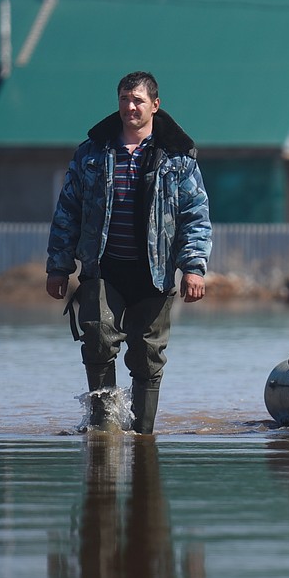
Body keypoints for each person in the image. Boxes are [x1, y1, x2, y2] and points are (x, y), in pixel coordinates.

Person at [46, 70, 212, 435]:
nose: (130, 107)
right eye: (124, 99)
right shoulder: (92, 153)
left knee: (147, 356)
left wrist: (194, 268)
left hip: (154, 274)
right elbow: (67, 210)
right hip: (103, 269)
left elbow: (195, 216)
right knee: (99, 338)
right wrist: (58, 266)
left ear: (155, 105)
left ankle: (142, 436)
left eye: (138, 100)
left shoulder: (178, 157)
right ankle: (104, 431)